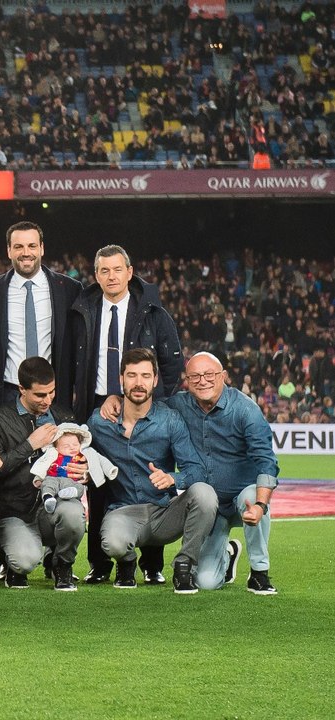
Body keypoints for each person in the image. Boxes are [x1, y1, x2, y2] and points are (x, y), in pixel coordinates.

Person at [69, 244, 182, 585]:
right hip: (97, 408)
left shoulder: (154, 313)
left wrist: (150, 404)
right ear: (96, 275)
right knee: (98, 485)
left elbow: (172, 365)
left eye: (117, 269)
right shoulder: (83, 311)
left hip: (142, 404)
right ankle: (100, 564)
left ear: (130, 272)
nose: (111, 276)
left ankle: (152, 564)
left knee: (150, 479)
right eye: (104, 270)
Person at [88, 348, 214, 594]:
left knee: (205, 494)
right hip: (123, 513)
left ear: (155, 380)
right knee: (113, 543)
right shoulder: (99, 423)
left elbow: (197, 470)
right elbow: (78, 449)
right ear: (121, 379)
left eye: (145, 376)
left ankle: (184, 565)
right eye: (132, 375)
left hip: (164, 512)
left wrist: (172, 478)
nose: (138, 382)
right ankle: (126, 562)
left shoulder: (170, 420)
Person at [164, 353, 279, 594]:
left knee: (252, 496)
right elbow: (146, 407)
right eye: (195, 376)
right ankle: (228, 554)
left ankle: (259, 572)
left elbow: (266, 461)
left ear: (223, 376)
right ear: (187, 380)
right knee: (207, 582)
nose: (202, 381)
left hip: (242, 500)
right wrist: (114, 401)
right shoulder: (178, 405)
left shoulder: (246, 409)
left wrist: (260, 505)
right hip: (211, 508)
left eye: (209, 374)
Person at [0, 357, 83, 590]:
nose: (48, 400)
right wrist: (30, 445)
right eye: (40, 395)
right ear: (21, 389)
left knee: (74, 513)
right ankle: (10, 558)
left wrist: (82, 469)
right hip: (14, 513)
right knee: (24, 561)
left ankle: (63, 564)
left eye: (52, 392)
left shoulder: (64, 417)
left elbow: (80, 458)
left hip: (53, 506)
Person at [0, 221, 82, 411]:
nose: (26, 252)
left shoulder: (69, 289)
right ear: (9, 251)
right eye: (18, 247)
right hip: (8, 392)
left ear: (42, 248)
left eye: (32, 246)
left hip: (53, 393)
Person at [30, 423, 118, 514]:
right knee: (47, 483)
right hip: (54, 478)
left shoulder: (83, 455)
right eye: (66, 446)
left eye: (75, 444)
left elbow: (101, 460)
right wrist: (38, 478)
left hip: (72, 481)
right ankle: (48, 498)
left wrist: (110, 470)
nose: (72, 448)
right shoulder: (52, 455)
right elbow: (42, 466)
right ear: (57, 448)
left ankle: (70, 493)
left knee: (80, 488)